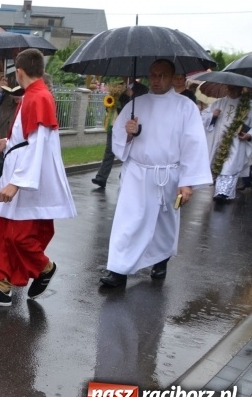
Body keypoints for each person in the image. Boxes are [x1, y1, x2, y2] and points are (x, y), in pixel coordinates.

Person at [0, 48, 76, 307]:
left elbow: (38, 145)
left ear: (19, 72)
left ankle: (44, 267)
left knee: (18, 235)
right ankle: (0, 287)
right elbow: (26, 139)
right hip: (17, 169)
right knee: (1, 230)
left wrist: (16, 183)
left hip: (24, 178)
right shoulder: (34, 95)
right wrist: (6, 142)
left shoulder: (38, 97)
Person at [99, 59, 212, 288]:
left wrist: (187, 182)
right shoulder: (136, 103)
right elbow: (119, 141)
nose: (156, 80)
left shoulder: (185, 107)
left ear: (172, 78)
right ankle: (118, 270)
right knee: (128, 220)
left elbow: (194, 144)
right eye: (153, 75)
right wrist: (129, 133)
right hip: (137, 173)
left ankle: (161, 259)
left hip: (168, 174)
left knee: (164, 222)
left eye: (162, 76)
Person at [91, 77, 149, 188]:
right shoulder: (117, 87)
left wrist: (130, 95)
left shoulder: (143, 89)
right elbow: (110, 104)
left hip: (132, 125)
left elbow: (142, 106)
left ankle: (125, 174)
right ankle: (101, 177)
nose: (126, 77)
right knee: (109, 149)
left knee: (129, 151)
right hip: (116, 122)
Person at [201, 85, 252, 201]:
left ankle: (223, 193)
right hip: (218, 140)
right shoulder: (218, 103)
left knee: (230, 165)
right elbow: (203, 116)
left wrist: (249, 135)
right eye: (230, 89)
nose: (232, 92)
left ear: (240, 89)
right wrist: (212, 116)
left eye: (235, 89)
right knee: (218, 163)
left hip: (237, 141)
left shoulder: (248, 105)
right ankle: (219, 189)